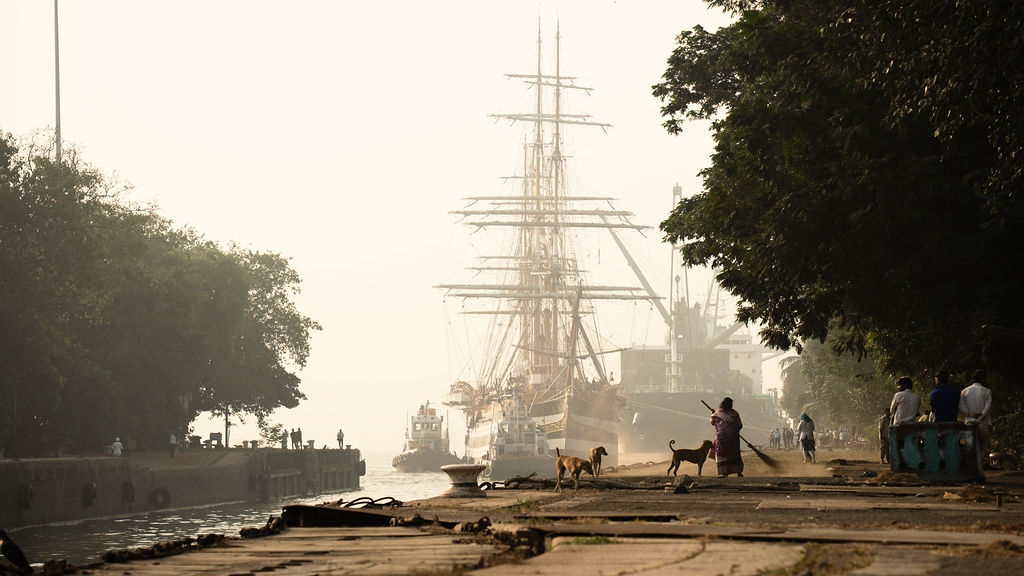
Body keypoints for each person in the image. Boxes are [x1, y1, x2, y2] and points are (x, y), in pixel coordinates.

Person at [959, 368, 993, 458]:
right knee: (984, 446)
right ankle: (978, 462)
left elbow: (961, 408)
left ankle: (973, 463)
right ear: (982, 379)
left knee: (970, 448)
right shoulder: (987, 391)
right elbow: (987, 408)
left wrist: (972, 415)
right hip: (983, 424)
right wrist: (978, 420)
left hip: (969, 424)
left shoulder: (964, 391)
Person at [709, 397, 744, 477]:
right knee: (735, 454)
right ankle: (738, 472)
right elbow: (740, 425)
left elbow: (712, 422)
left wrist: (712, 413)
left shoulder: (717, 414)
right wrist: (732, 430)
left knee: (722, 454)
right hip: (733, 439)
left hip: (721, 439)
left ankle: (724, 472)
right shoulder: (735, 413)